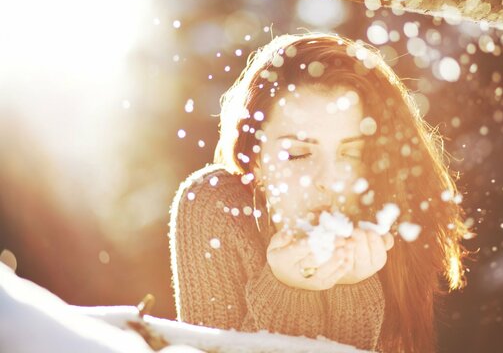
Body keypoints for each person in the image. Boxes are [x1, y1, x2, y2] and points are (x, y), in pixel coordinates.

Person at [169, 33, 471, 353]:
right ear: (255, 158)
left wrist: (350, 290)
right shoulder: (215, 207)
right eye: (298, 154)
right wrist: (289, 291)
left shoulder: (391, 229)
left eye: (352, 155)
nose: (329, 180)